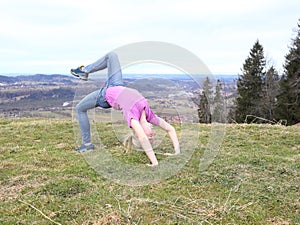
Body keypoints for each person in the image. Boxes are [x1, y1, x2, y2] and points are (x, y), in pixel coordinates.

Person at [71, 52, 180, 166]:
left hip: (105, 96)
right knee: (112, 56)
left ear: (139, 133)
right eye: (153, 135)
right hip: (116, 85)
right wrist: (177, 152)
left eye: (150, 137)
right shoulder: (149, 115)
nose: (153, 133)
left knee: (80, 108)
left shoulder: (133, 118)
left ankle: (87, 145)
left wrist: (154, 163)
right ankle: (84, 71)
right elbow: (170, 129)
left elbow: (143, 138)